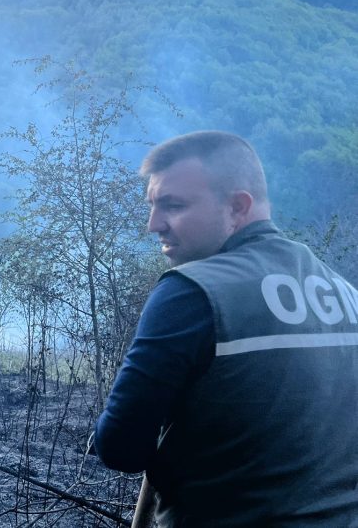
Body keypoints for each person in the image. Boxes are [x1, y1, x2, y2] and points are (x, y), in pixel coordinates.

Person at [95, 131, 358, 526]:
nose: (154, 224)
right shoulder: (346, 293)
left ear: (238, 207)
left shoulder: (190, 292)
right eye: (152, 206)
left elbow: (120, 449)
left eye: (173, 205)